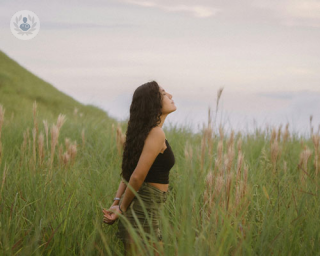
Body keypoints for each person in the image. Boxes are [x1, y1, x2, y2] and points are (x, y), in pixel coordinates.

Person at [102, 81, 177, 255]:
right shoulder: (156, 134)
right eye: (164, 93)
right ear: (153, 102)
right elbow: (136, 176)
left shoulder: (147, 133)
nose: (170, 96)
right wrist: (121, 208)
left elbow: (128, 174)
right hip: (143, 211)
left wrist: (116, 203)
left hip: (146, 210)